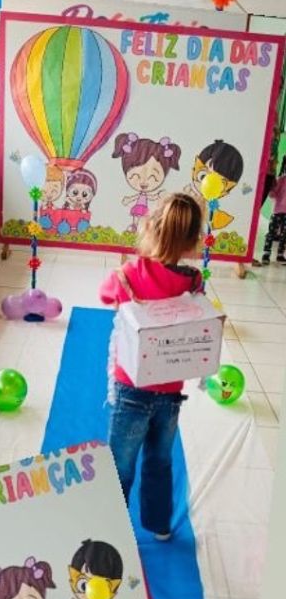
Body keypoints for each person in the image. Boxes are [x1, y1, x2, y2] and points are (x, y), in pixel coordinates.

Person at [100, 192, 205, 541]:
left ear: (150, 228)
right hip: (171, 389)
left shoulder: (128, 274)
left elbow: (105, 295)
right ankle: (159, 525)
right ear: (192, 241)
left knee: (120, 464)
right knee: (160, 461)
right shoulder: (193, 281)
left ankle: (112, 526)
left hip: (131, 386)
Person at [256, 155, 286, 265]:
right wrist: (272, 187)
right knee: (271, 233)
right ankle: (266, 254)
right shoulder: (281, 180)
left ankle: (280, 254)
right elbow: (273, 194)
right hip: (277, 211)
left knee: (284, 234)